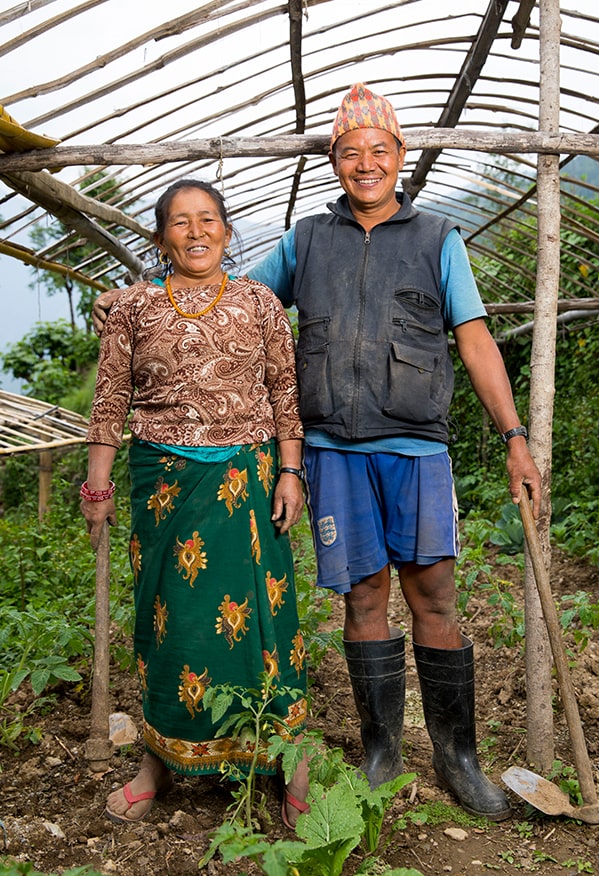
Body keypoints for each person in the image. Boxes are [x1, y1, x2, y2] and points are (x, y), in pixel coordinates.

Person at [93, 85, 542, 822]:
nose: (366, 164)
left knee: (434, 595)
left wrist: (515, 439)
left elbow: (475, 340)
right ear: (335, 161)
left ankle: (459, 761)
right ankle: (380, 753)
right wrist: (134, 294)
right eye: (350, 152)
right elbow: (222, 294)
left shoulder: (438, 239)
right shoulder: (308, 240)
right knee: (364, 599)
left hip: (416, 448)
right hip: (332, 449)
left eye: (380, 151)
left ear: (401, 159)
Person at [82, 179, 309, 829]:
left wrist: (289, 474)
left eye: (208, 219)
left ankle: (285, 757)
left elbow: (285, 396)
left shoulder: (261, 303)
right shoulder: (131, 310)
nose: (197, 231)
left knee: (264, 618)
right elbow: (108, 406)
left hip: (246, 478)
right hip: (164, 485)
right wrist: (96, 487)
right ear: (161, 239)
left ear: (228, 232)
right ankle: (158, 758)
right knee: (170, 620)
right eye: (180, 222)